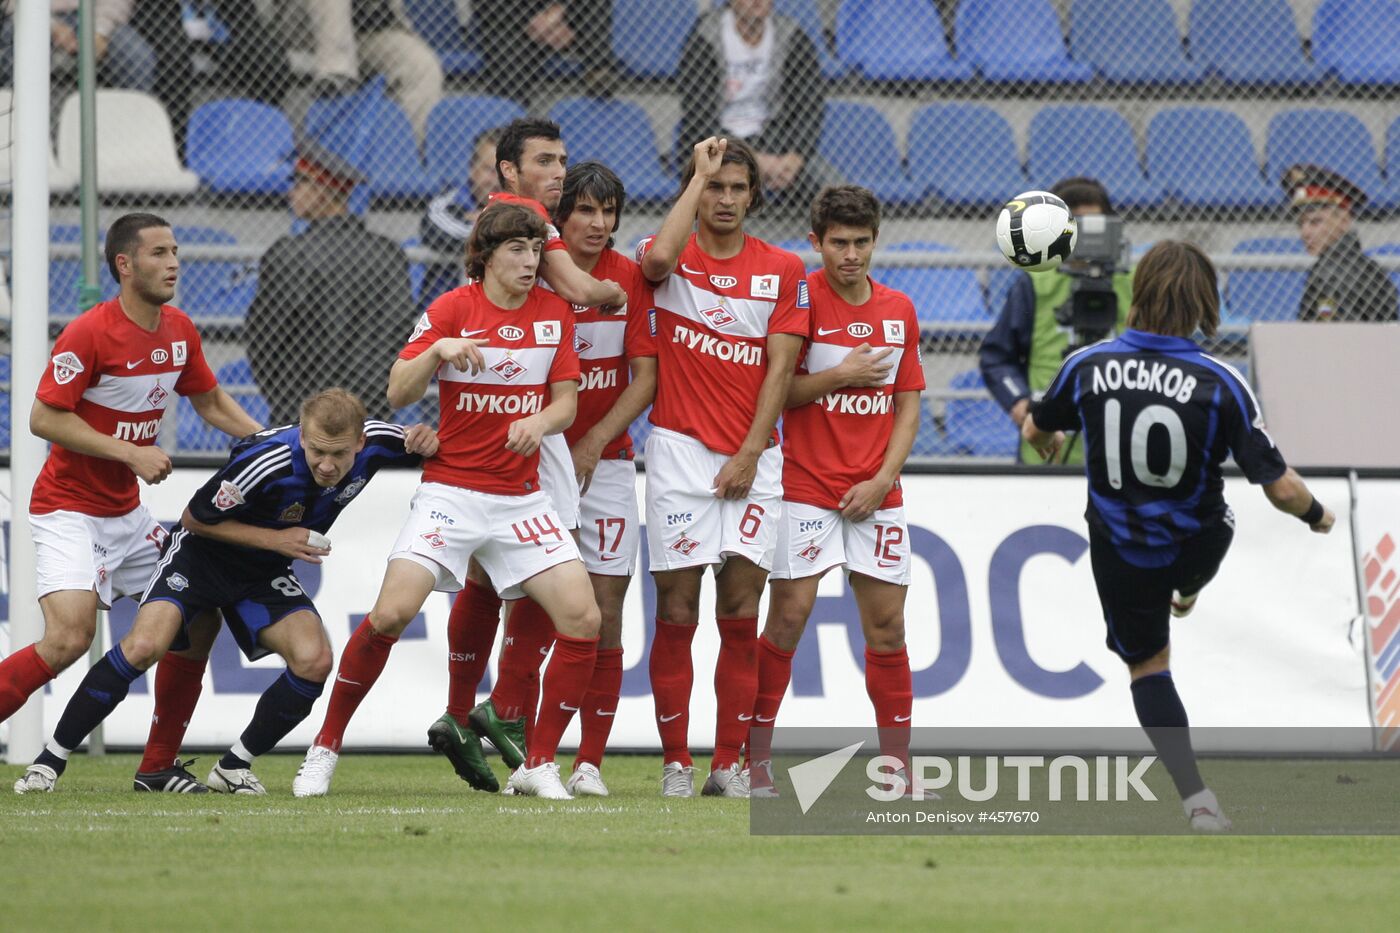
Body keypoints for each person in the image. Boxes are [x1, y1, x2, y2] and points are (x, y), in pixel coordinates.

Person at [1022, 240, 1336, 831]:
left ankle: (1197, 801)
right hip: (1196, 536)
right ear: (1203, 303)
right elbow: (1279, 486)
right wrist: (1319, 515)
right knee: (1224, 520)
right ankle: (1189, 587)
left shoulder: (1087, 364)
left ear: (1137, 292)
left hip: (1119, 550)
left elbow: (1039, 426)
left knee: (1149, 668)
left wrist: (1048, 444)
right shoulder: (1220, 381)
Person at [294, 203, 601, 801]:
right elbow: (397, 389)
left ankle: (539, 764)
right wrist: (438, 351)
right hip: (451, 492)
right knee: (389, 615)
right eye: (516, 250)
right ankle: (323, 749)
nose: (529, 261)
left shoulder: (553, 314)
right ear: (484, 256)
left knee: (584, 620)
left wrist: (540, 421)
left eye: (535, 250)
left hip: (519, 498)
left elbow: (566, 402)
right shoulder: (451, 308)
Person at [13, 391, 438, 796]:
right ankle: (50, 762)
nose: (327, 465)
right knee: (143, 646)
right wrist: (278, 541)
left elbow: (432, 443)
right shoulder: (266, 462)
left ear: (360, 443)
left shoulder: (379, 441)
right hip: (201, 559)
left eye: (340, 454)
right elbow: (195, 519)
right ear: (303, 437)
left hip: (260, 573)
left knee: (315, 661)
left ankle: (233, 766)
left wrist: (427, 438)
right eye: (317, 452)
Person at [0, 213, 262, 788]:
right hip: (69, 510)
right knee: (68, 638)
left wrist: (266, 441)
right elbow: (44, 417)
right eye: (159, 253)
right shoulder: (89, 333)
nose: (173, 263)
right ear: (124, 264)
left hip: (128, 515)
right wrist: (129, 452)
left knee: (197, 616)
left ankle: (157, 767)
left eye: (176, 252)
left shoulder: (180, 329)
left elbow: (211, 400)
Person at [430, 162, 658, 798]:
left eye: (608, 211)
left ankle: (584, 760)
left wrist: (590, 442)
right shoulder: (537, 281)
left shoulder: (630, 278)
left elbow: (645, 376)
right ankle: (497, 719)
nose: (598, 222)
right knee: (511, 592)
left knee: (600, 609)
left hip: (604, 460)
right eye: (584, 209)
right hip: (532, 456)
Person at [637, 136, 808, 798]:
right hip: (679, 454)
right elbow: (652, 260)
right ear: (695, 191)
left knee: (741, 608)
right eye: (714, 186)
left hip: (755, 458)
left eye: (738, 187)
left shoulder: (783, 269)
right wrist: (695, 175)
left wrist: (748, 451)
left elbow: (782, 367)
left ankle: (727, 763)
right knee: (676, 609)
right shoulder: (674, 256)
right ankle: (677, 761)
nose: (726, 198)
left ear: (755, 195)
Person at [749, 186, 923, 795]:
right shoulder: (803, 302)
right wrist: (838, 375)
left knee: (888, 631)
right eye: (839, 243)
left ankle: (897, 769)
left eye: (861, 242)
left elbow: (907, 407)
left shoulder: (899, 309)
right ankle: (757, 762)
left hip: (875, 495)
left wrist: (881, 480)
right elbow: (777, 393)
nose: (851, 254)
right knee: (789, 619)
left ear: (876, 240)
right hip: (803, 486)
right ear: (816, 242)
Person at [246, 140, 415, 427]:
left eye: (300, 182)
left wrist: (286, 398)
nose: (292, 192)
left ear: (324, 189)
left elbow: (263, 339)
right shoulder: (389, 254)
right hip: (369, 413)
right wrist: (374, 398)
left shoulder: (289, 253)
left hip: (299, 411)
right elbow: (401, 335)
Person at [979, 177, 1135, 465]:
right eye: (1075, 227)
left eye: (1094, 228)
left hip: (1123, 450)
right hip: (1047, 452)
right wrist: (1020, 403)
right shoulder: (1035, 283)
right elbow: (996, 356)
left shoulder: (1135, 280)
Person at [677, 0, 834, 212]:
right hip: (718, 140)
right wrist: (753, 160)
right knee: (716, 184)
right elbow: (696, 113)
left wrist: (795, 156)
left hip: (776, 139)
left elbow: (810, 104)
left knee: (831, 195)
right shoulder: (706, 35)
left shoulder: (790, 34)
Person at [298, 0, 443, 142]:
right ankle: (338, 78)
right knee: (337, 68)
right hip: (309, 37)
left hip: (366, 35)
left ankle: (409, 154)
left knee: (421, 66)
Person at [1282, 164, 1399, 323]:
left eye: (1315, 222)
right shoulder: (1368, 267)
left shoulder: (1329, 273)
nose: (1305, 233)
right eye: (1300, 224)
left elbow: (1330, 331)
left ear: (1344, 220)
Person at [418, 126, 503, 310]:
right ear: (472, 168)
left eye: (503, 172)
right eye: (488, 170)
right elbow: (433, 231)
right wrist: (497, 227)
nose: (495, 181)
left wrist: (486, 222)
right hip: (444, 319)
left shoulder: (525, 209)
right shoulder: (446, 205)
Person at [475, 0, 616, 105]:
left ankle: (598, 71)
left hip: (567, 18)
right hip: (515, 24)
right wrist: (528, 20)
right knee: (508, 55)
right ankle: (510, 127)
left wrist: (561, 9)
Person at [1, 1, 156, 91]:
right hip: (34, 17)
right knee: (16, 51)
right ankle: (24, 133)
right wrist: (51, 25)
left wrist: (100, 31)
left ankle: (129, 133)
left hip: (97, 17)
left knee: (137, 56)